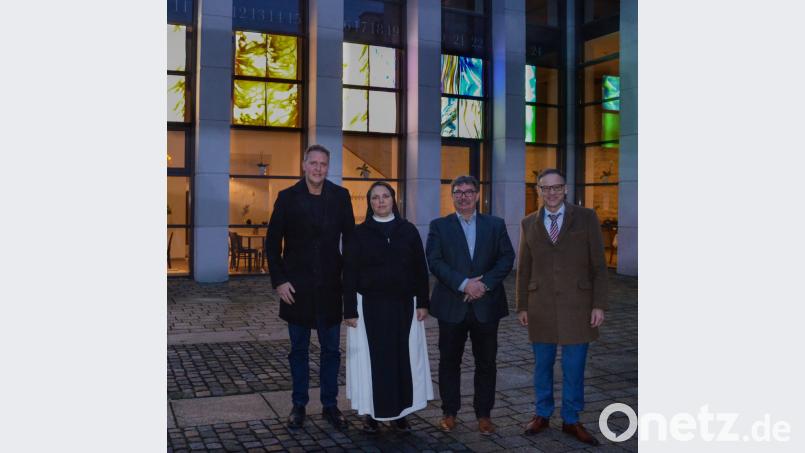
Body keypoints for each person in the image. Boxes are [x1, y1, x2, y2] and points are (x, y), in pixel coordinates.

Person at [265, 144, 355, 430]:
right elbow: (271, 243)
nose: (318, 168)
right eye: (313, 163)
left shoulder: (340, 197)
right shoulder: (287, 197)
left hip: (330, 289)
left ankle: (330, 405)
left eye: (323, 164)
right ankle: (299, 405)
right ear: (304, 165)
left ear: (328, 167)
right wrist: (279, 281)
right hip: (296, 291)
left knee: (331, 351)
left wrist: (352, 283)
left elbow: (351, 243)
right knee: (298, 351)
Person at [515, 168, 608, 446]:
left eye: (556, 187)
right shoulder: (528, 222)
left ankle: (571, 418)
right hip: (540, 305)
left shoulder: (586, 218)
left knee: (574, 366)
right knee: (542, 365)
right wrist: (522, 305)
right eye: (545, 188)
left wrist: (599, 304)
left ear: (565, 189)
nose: (551, 192)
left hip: (578, 307)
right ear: (538, 191)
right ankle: (542, 414)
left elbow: (599, 266)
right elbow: (524, 268)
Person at [425, 175, 515, 435]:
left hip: (486, 306)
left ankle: (484, 414)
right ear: (452, 196)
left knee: (486, 363)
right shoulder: (439, 226)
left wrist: (483, 285)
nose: (463, 196)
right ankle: (449, 412)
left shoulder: (495, 225)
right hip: (452, 306)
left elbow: (506, 258)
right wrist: (465, 284)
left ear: (477, 195)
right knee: (448, 362)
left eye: (468, 192)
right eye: (458, 192)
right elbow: (435, 261)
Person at [342, 182, 433, 434]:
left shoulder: (408, 231)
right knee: (372, 362)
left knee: (402, 360)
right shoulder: (359, 234)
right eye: (375, 198)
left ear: (394, 200)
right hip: (369, 307)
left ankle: (401, 413)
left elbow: (420, 270)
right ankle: (371, 414)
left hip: (404, 305)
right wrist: (349, 309)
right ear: (369, 203)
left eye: (385, 196)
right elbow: (348, 273)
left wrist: (424, 302)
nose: (380, 201)